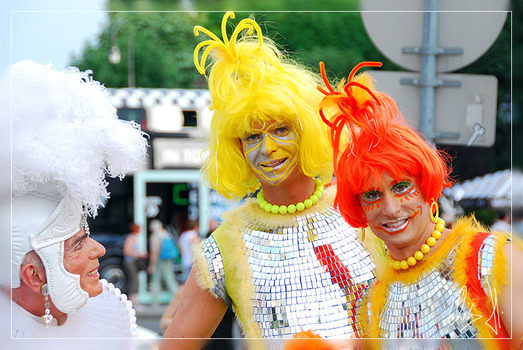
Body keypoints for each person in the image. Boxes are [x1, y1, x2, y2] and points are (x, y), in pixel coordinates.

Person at [162, 12, 377, 346]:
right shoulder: (226, 245)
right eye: (251, 136)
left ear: (308, 131)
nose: (268, 148)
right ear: (235, 148)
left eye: (281, 129)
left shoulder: (361, 209)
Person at [318, 60, 515, 345]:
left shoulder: (493, 259)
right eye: (372, 194)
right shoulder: (372, 306)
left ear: (425, 185)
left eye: (401, 187)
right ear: (358, 207)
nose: (391, 208)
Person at [4, 60, 147, 338]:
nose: (99, 250)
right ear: (34, 276)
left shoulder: (110, 321)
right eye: (78, 244)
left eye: (86, 236)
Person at [148, 219, 179, 306]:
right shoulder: (166, 234)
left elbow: (154, 251)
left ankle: (154, 301)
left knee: (155, 280)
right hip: (168, 259)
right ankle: (178, 297)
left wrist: (151, 264)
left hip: (159, 260)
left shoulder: (155, 236)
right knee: (170, 278)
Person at [123, 223, 148, 306]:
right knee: (134, 280)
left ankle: (134, 300)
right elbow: (127, 251)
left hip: (133, 262)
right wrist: (139, 254)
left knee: (135, 280)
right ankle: (133, 301)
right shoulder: (131, 238)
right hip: (131, 262)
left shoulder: (134, 238)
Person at [178, 219, 200, 283]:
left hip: (184, 258)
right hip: (191, 260)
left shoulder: (183, 235)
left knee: (185, 278)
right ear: (195, 226)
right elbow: (196, 246)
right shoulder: (193, 235)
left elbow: (180, 248)